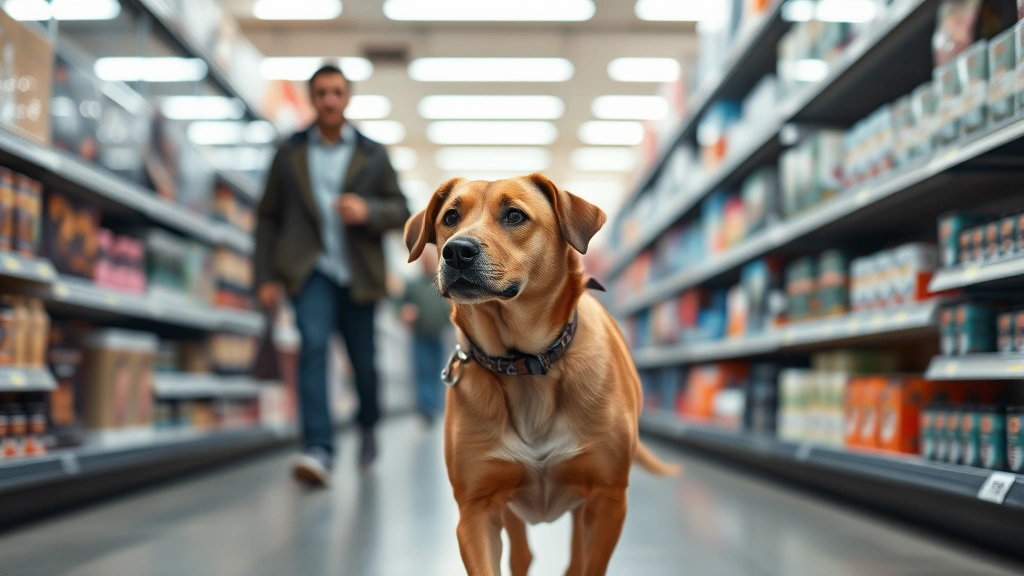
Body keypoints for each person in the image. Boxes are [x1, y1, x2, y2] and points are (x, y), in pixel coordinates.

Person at [254, 64, 409, 486]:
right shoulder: (289, 153)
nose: (329, 100)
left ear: (347, 97)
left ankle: (369, 425)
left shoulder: (373, 154)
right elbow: (268, 218)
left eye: (337, 92)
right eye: (321, 92)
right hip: (310, 272)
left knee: (364, 363)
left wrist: (368, 211)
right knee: (313, 351)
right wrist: (265, 275)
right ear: (311, 97)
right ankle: (318, 447)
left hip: (359, 275)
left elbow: (402, 210)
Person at [398, 249, 451, 426]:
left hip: (439, 334)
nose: (426, 262)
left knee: (438, 370)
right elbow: (399, 304)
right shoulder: (412, 284)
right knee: (422, 371)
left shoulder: (441, 282)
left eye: (429, 259)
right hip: (419, 335)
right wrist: (404, 312)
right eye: (424, 260)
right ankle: (426, 408)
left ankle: (435, 406)